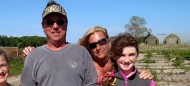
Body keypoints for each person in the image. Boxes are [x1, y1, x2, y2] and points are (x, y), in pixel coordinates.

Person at [23, 26, 153, 80]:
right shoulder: (85, 63)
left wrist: (145, 74)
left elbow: (130, 71)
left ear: (108, 42)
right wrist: (34, 53)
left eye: (102, 42)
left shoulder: (117, 61)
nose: (98, 47)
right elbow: (58, 62)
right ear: (88, 47)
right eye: (93, 45)